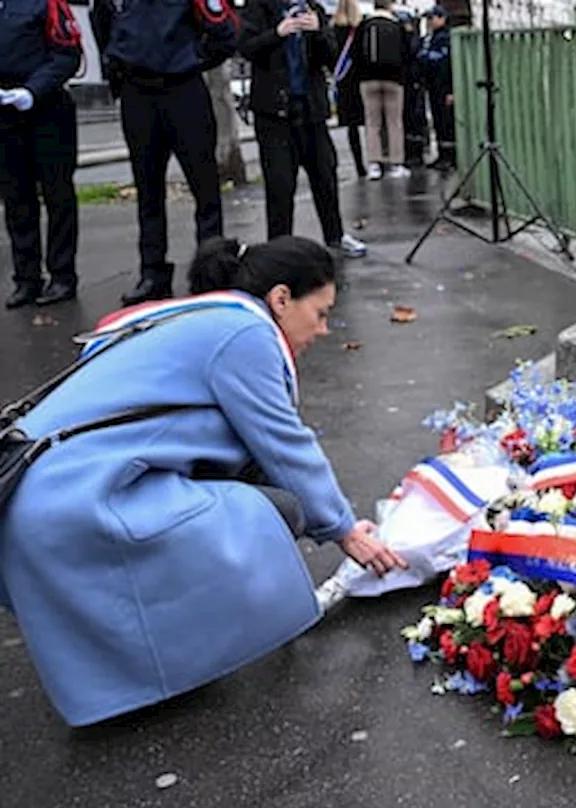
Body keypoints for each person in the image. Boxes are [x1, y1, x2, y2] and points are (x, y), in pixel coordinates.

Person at [0, 235, 407, 727]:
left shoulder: (188, 316)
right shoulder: (245, 334)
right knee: (281, 512)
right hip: (76, 504)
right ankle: (181, 652)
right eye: (319, 313)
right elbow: (285, 446)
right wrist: (344, 531)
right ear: (280, 299)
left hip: (34, 498)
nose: (323, 330)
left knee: (251, 492)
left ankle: (151, 656)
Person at [90, 0, 238, 306]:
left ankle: (210, 274)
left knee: (205, 190)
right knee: (148, 192)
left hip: (183, 90)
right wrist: (119, 68)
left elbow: (224, 31)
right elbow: (103, 27)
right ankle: (152, 275)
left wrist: (193, 58)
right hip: (138, 93)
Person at [239, 0, 367, 258]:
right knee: (280, 183)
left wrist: (318, 31)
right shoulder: (258, 7)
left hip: (311, 109)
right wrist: (277, 33)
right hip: (273, 111)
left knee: (325, 175)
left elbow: (333, 60)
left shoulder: (313, 8)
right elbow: (246, 48)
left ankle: (335, 235)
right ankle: (279, 245)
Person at [0, 0, 83, 309]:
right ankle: (26, 279)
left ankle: (62, 276)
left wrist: (33, 91)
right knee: (16, 199)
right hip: (5, 115)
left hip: (47, 110)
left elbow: (68, 55)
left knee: (58, 195)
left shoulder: (45, 3)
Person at [353, 0, 412, 180]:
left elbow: (355, 53)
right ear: (389, 6)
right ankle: (396, 164)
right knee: (394, 122)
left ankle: (374, 165)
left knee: (372, 123)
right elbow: (407, 53)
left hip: (368, 80)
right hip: (394, 80)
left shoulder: (364, 25)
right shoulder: (396, 26)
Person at [332, 0, 367, 178]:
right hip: (360, 80)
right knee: (370, 123)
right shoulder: (360, 30)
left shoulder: (335, 30)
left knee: (351, 127)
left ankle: (359, 165)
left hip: (344, 81)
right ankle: (374, 161)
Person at [421, 5, 454, 171]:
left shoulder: (446, 38)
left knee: (446, 122)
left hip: (443, 86)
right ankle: (442, 154)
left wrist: (451, 90)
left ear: (442, 18)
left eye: (432, 18)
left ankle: (449, 156)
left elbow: (447, 66)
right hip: (434, 86)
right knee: (438, 121)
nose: (429, 22)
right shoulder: (432, 38)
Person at [401, 11, 428, 168]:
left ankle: (415, 153)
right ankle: (416, 151)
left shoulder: (412, 41)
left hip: (412, 83)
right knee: (414, 118)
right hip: (413, 83)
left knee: (413, 118)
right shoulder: (416, 40)